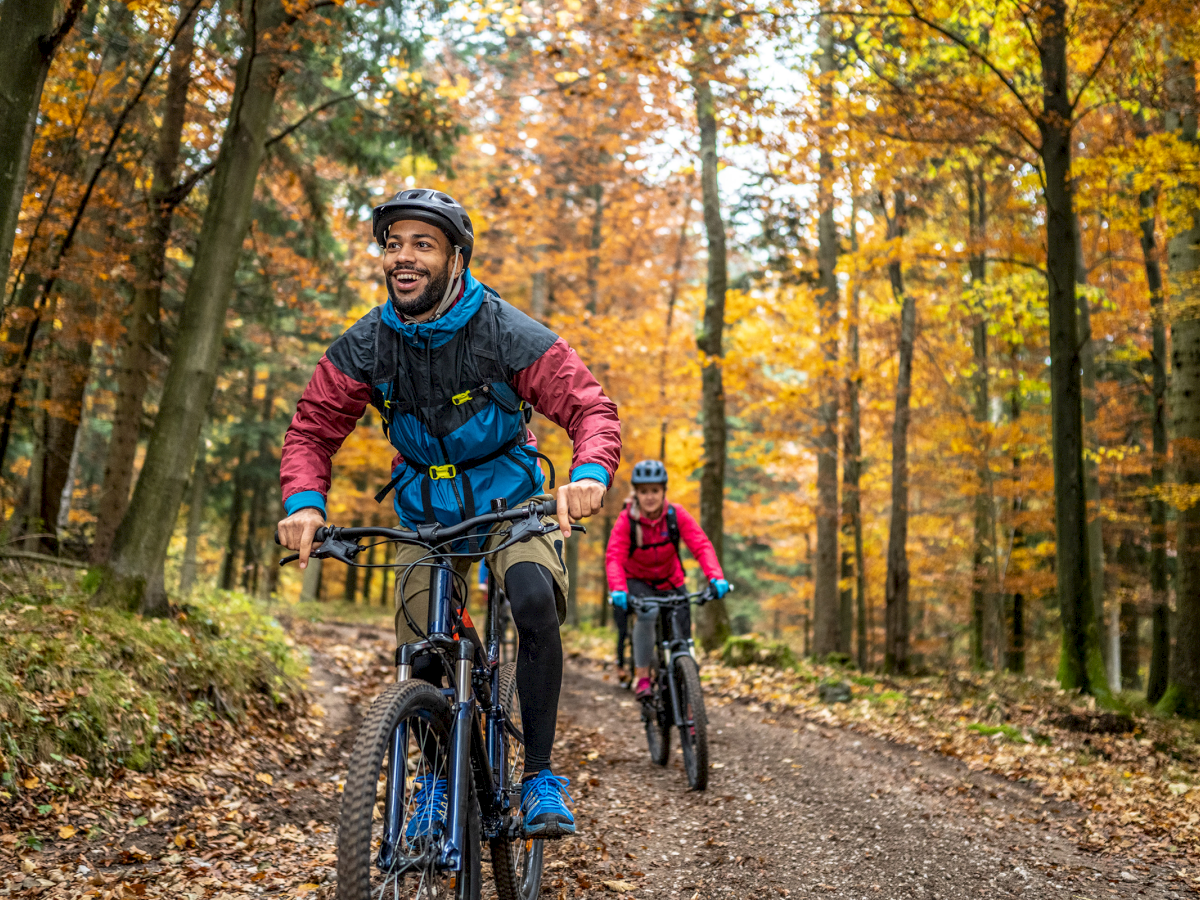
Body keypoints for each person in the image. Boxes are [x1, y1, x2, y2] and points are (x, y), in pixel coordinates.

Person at [276, 188, 621, 838]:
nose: (403, 258)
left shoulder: (503, 330)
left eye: (422, 245)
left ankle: (540, 776)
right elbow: (313, 428)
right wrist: (304, 505)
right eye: (394, 244)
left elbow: (589, 408)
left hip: (506, 497)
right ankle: (435, 781)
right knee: (420, 646)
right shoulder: (369, 343)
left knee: (532, 596)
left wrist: (588, 474)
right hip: (421, 508)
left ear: (456, 258)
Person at [604, 460, 729, 699]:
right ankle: (642, 677)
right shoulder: (627, 520)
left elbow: (701, 546)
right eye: (643, 491)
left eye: (654, 490)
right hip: (638, 581)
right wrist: (619, 589)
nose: (649, 497)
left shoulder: (676, 515)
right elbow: (614, 558)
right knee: (648, 612)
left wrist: (716, 577)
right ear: (636, 494)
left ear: (663, 491)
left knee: (682, 637)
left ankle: (690, 704)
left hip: (671, 581)